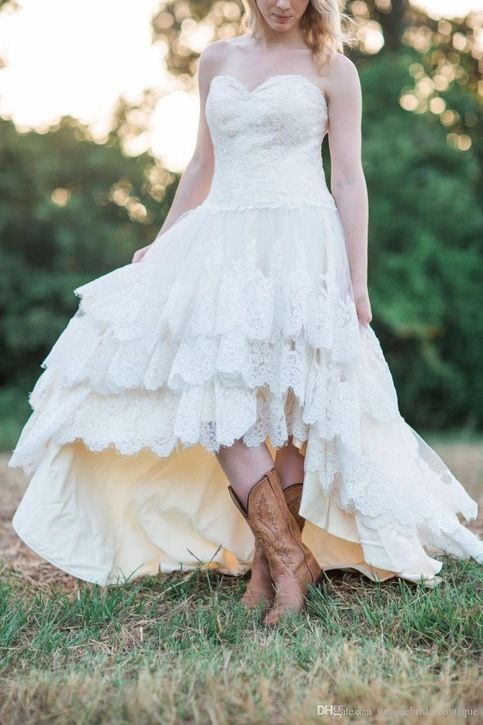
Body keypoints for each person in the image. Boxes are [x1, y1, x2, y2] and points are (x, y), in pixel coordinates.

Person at [8, 0, 483, 628]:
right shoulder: (217, 60)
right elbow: (203, 164)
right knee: (215, 396)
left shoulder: (334, 68)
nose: (283, 2)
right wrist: (165, 236)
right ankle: (289, 558)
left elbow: (348, 178)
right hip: (219, 245)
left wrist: (357, 279)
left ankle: (269, 569)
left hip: (303, 243)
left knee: (295, 404)